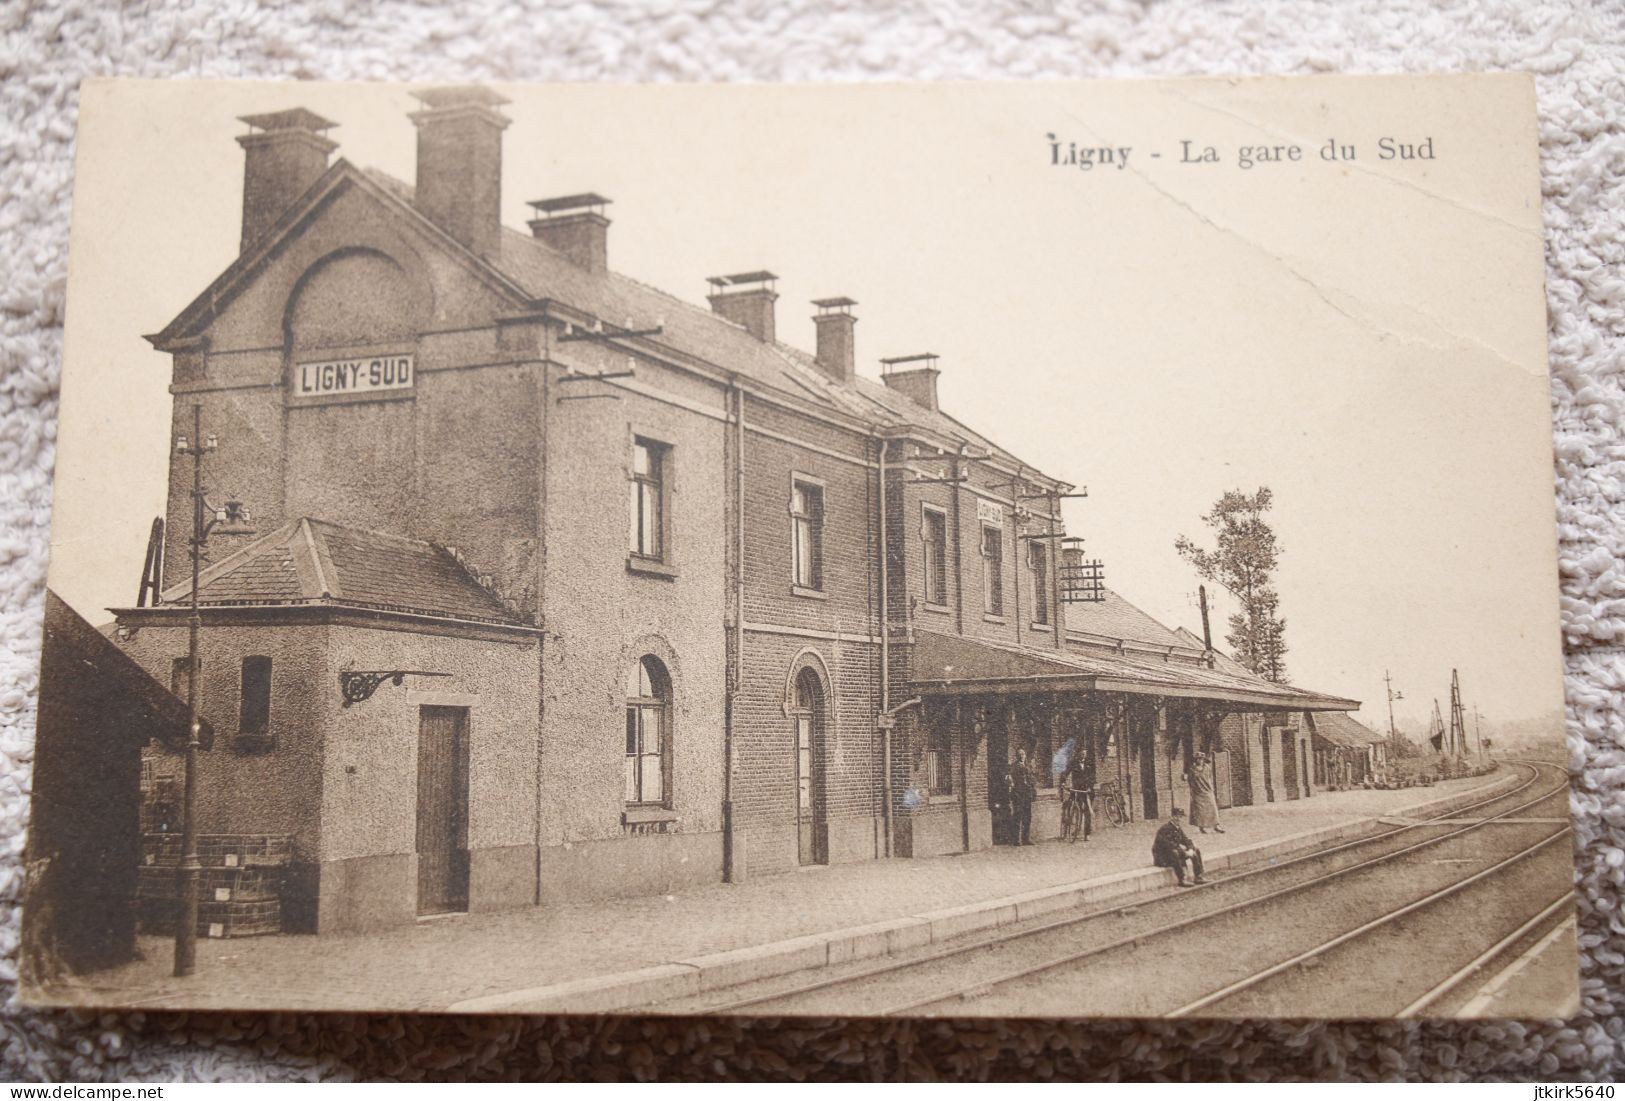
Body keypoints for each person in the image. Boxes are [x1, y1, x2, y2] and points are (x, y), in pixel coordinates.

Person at [1152, 808, 1206, 887]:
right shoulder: (1165, 828)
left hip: (1172, 855)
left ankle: (1198, 876)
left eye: (1180, 817)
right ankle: (1182, 879)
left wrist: (1190, 849)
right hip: (1163, 858)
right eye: (1176, 816)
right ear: (1172, 817)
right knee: (1175, 852)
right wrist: (1184, 852)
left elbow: (1186, 840)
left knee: (1196, 850)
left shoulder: (1178, 828)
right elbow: (1169, 845)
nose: (1178, 819)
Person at [1187, 750, 1224, 834]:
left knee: (1213, 808)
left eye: (1201, 759)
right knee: (1200, 811)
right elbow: (1190, 781)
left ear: (1204, 760)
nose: (1200, 760)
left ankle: (1216, 825)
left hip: (1207, 791)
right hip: (1197, 792)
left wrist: (1211, 788)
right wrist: (1193, 791)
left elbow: (1210, 778)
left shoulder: (1207, 768)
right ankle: (1202, 827)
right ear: (1195, 760)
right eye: (1198, 759)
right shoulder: (1192, 770)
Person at [1061, 752, 1094, 842]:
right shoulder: (1073, 763)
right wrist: (1063, 781)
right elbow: (1065, 772)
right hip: (1076, 789)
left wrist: (1090, 787)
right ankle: (1072, 828)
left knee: (1087, 812)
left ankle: (1087, 834)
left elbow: (1092, 777)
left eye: (1084, 754)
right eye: (1081, 754)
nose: (1083, 755)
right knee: (1074, 808)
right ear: (1078, 754)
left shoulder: (1089, 763)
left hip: (1086, 791)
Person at [1009, 749, 1037, 846]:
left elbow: (1032, 778)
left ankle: (1026, 838)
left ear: (1025, 755)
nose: (1022, 756)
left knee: (1027, 816)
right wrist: (1012, 786)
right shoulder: (1013, 766)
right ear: (1017, 756)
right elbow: (1010, 779)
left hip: (1027, 794)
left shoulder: (1028, 766)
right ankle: (1016, 839)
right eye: (1020, 754)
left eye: (1023, 754)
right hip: (1018, 794)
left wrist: (1033, 790)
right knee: (1017, 816)